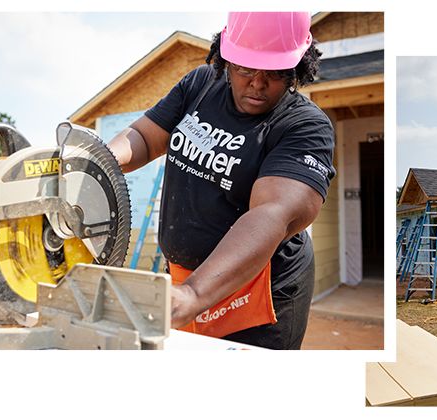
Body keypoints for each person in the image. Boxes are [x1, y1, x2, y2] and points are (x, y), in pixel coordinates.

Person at [108, 12, 335, 350]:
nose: (257, 83)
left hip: (259, 294)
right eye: (245, 68)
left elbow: (272, 212)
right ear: (226, 57)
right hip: (187, 278)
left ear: (298, 67)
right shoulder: (200, 85)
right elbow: (143, 136)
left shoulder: (305, 127)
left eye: (274, 72)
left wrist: (193, 294)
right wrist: (99, 161)